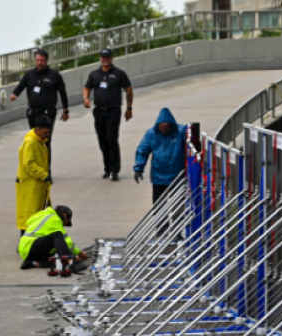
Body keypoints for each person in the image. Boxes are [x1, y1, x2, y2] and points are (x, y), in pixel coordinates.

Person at [9, 48, 70, 167]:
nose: (39, 63)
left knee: (45, 140)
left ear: (46, 61)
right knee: (35, 141)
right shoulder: (29, 75)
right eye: (37, 60)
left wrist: (65, 110)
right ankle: (37, 169)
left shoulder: (54, 75)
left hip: (48, 112)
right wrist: (14, 94)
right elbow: (20, 86)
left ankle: (46, 171)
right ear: (35, 61)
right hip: (33, 112)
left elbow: (63, 93)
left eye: (42, 60)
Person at [83, 49, 133, 181]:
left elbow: (128, 89)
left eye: (108, 57)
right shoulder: (94, 74)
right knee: (102, 140)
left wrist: (129, 108)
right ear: (100, 58)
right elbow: (87, 88)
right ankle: (107, 168)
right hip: (99, 111)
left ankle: (114, 170)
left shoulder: (119, 74)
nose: (105, 59)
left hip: (113, 111)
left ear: (112, 58)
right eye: (103, 57)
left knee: (112, 138)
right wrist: (86, 99)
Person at [134, 108, 186, 203]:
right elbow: (143, 150)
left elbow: (192, 147)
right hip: (158, 177)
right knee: (158, 206)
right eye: (162, 128)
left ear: (171, 125)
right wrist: (139, 168)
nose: (164, 130)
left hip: (177, 177)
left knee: (178, 207)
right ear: (158, 126)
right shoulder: (151, 134)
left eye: (166, 128)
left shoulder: (181, 132)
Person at [18, 205, 88, 277]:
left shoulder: (43, 214)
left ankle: (32, 263)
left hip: (27, 249)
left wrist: (75, 257)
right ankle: (72, 263)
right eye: (66, 222)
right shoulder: (54, 219)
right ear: (64, 215)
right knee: (58, 235)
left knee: (57, 259)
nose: (64, 225)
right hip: (31, 246)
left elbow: (57, 245)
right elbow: (67, 242)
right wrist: (79, 253)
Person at [16, 116, 53, 236]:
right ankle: (24, 242)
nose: (47, 135)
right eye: (45, 132)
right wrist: (44, 175)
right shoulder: (31, 142)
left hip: (37, 184)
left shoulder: (39, 141)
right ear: (37, 130)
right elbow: (29, 164)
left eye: (48, 132)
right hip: (30, 185)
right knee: (29, 215)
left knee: (36, 214)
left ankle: (33, 240)